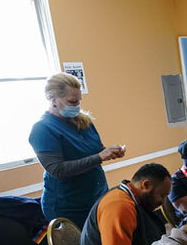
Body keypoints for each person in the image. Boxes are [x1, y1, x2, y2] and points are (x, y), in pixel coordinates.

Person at [29, 72, 126, 227]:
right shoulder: (43, 129)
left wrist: (109, 152)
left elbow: (94, 150)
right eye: (72, 102)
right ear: (53, 99)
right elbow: (57, 170)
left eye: (79, 101)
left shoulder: (84, 121)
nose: (77, 106)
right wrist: (100, 157)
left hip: (96, 195)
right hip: (68, 205)